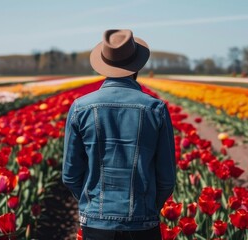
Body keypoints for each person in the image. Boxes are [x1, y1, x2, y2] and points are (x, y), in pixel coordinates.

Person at [62, 29, 176, 240]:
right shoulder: (155, 109)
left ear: (104, 66)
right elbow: (166, 178)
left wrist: (93, 203)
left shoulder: (81, 107)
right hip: (143, 222)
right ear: (137, 67)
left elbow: (70, 175)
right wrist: (148, 206)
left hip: (97, 222)